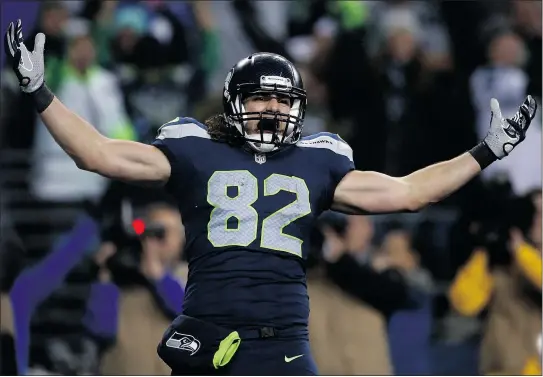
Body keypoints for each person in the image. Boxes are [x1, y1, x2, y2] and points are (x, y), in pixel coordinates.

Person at [4, 19, 538, 376]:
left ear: (298, 108)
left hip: (282, 335)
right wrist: (42, 94)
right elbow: (97, 154)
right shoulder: (194, 147)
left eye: (282, 101)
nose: (272, 109)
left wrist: (485, 152)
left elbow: (410, 193)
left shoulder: (319, 158)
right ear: (235, 103)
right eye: (260, 97)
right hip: (208, 330)